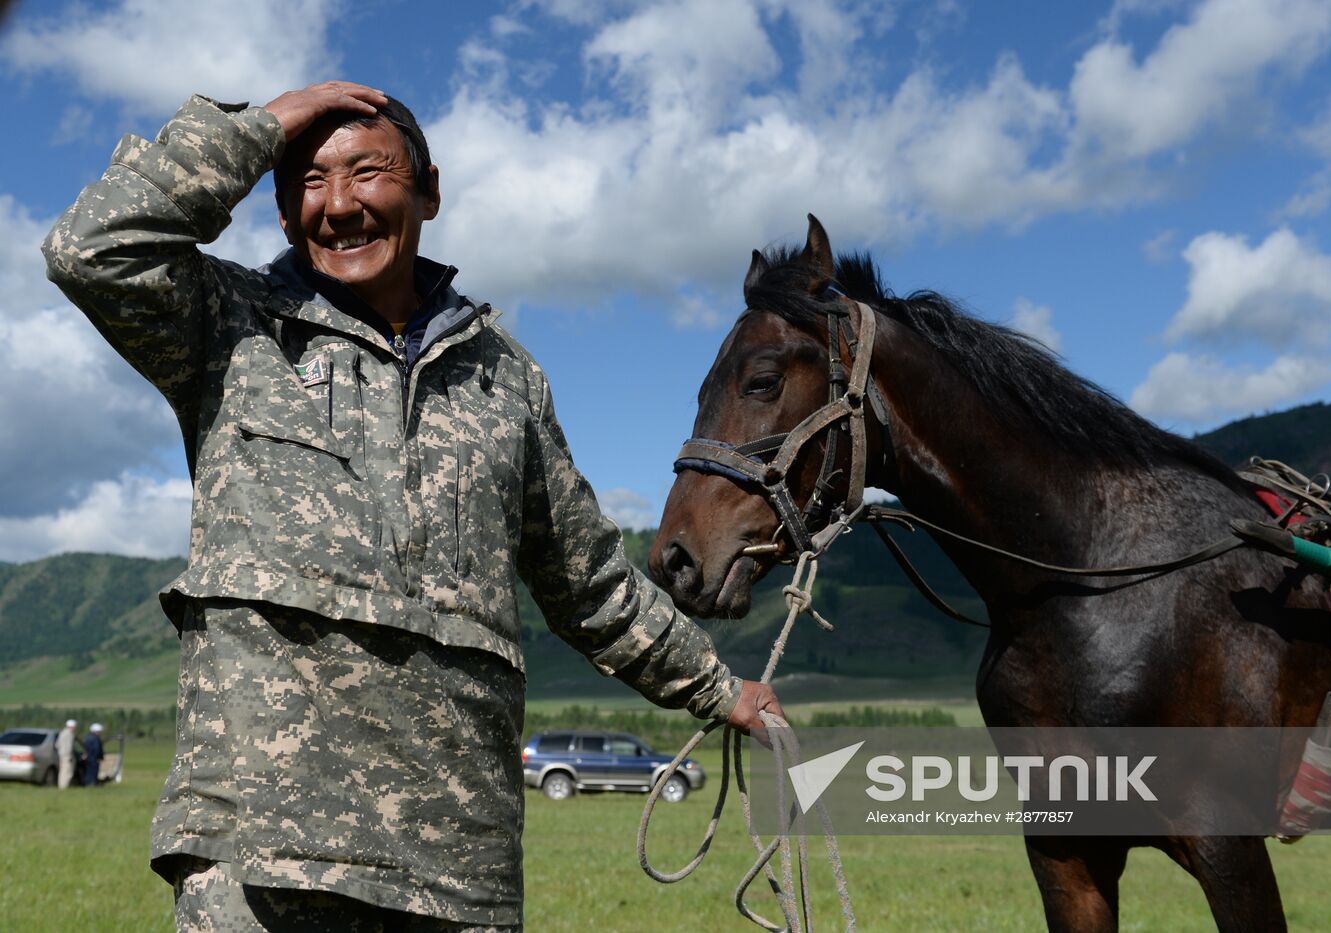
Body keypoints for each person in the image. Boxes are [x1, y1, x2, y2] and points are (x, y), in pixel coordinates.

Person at [43, 81, 783, 929]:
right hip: (260, 857)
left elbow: (591, 586)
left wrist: (721, 688)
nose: (340, 205)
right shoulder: (228, 324)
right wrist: (259, 128)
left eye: (367, 171)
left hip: (458, 866)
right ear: (282, 214)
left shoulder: (506, 378)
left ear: (429, 188)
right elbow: (91, 248)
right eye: (308, 182)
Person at [56, 718, 77, 789]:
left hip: (61, 755)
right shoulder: (70, 734)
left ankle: (61, 786)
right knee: (68, 773)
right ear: (72, 726)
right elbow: (69, 746)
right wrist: (70, 756)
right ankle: (64, 787)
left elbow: (57, 745)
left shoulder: (62, 733)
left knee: (62, 771)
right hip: (67, 756)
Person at [82, 723, 104, 787]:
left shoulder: (87, 737)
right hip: (94, 758)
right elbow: (97, 749)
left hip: (88, 757)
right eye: (99, 731)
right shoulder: (96, 738)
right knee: (94, 772)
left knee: (89, 771)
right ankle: (92, 783)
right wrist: (99, 757)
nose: (100, 733)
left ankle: (87, 783)